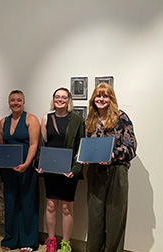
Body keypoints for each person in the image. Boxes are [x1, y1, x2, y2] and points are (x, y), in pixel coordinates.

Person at [85, 83, 137, 252]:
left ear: (111, 99)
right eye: (98, 96)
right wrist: (84, 157)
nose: (101, 99)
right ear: (93, 99)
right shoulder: (90, 119)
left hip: (116, 172)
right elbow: (88, 146)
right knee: (95, 217)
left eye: (105, 96)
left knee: (115, 218)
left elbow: (131, 147)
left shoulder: (121, 117)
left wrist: (113, 155)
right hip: (95, 172)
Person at [35, 88, 84, 252]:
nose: (60, 100)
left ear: (68, 100)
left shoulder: (77, 120)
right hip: (50, 170)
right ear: (53, 99)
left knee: (66, 208)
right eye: (57, 97)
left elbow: (81, 147)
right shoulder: (46, 118)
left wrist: (76, 169)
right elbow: (43, 145)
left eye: (64, 97)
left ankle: (66, 243)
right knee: (50, 206)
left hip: (68, 171)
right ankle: (51, 241)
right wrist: (40, 164)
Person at [0, 90, 40, 252]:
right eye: (12, 100)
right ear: (9, 102)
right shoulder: (3, 121)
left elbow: (33, 145)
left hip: (27, 168)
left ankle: (28, 241)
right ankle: (11, 239)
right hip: (8, 169)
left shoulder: (31, 119)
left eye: (19, 100)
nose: (15, 103)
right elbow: (2, 145)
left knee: (27, 203)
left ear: (23, 102)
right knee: (10, 202)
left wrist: (26, 164)